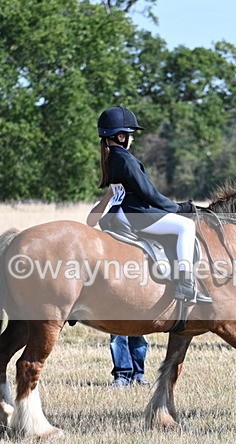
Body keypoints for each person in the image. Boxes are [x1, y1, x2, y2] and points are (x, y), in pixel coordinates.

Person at [97, 105, 211, 304]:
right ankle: (186, 284)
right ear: (121, 137)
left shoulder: (111, 158)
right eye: (131, 134)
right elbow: (149, 194)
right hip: (135, 214)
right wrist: (179, 208)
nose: (132, 138)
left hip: (118, 214)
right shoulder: (126, 160)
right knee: (187, 226)